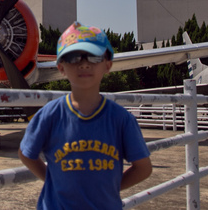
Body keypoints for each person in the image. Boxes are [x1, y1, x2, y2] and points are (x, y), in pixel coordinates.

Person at [19, 21, 152, 209]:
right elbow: (26, 154)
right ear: (61, 67)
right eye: (73, 57)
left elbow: (143, 168)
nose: (84, 64)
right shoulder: (49, 116)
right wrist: (52, 180)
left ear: (108, 64)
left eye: (94, 57)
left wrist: (110, 188)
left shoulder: (122, 120)